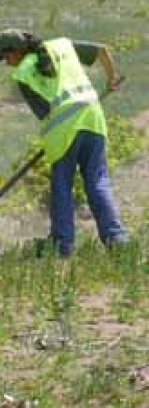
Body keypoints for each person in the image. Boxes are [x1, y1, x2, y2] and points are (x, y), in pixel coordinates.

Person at [0, 29, 129, 257]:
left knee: (62, 186)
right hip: (92, 117)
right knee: (98, 181)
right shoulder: (62, 45)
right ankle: (116, 239)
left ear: (17, 51)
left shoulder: (23, 73)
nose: (6, 63)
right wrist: (110, 80)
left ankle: (62, 244)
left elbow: (45, 112)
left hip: (62, 131)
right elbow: (101, 50)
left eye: (6, 57)